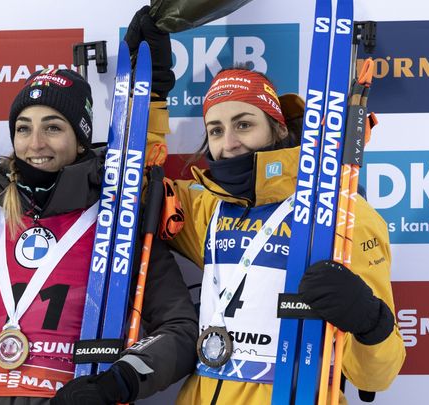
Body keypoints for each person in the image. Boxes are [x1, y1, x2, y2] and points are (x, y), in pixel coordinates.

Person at [123, 7, 406, 404]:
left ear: (277, 127)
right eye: (215, 130)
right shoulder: (208, 209)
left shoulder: (343, 214)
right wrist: (147, 94)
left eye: (243, 123)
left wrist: (368, 320)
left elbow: (379, 373)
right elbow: (135, 186)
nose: (229, 142)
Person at [0, 67, 197, 405]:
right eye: (24, 128)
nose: (35, 143)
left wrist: (119, 381)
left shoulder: (117, 222)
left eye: (52, 127)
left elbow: (181, 328)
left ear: (80, 139)